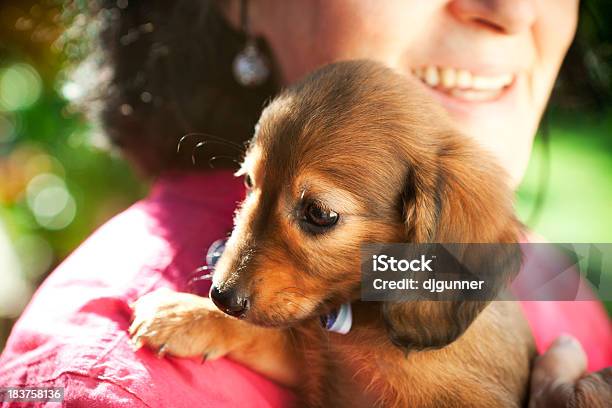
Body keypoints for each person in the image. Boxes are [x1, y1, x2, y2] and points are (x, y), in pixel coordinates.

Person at [0, 1, 610, 406]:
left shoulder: (561, 290)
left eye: (318, 215)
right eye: (253, 184)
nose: (513, 9)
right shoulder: (100, 383)